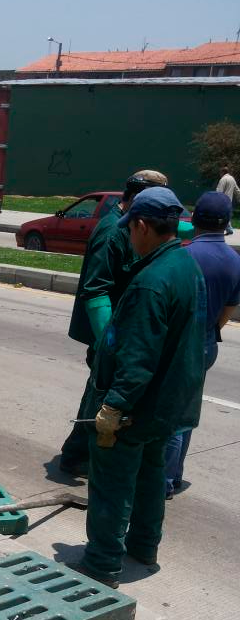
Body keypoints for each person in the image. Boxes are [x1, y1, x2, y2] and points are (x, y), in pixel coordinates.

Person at [75, 187, 207, 587]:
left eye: (130, 228)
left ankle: (102, 564)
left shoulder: (151, 282)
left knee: (111, 483)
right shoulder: (186, 266)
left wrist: (113, 407)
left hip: (137, 407)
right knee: (150, 478)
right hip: (167, 406)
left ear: (144, 226)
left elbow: (138, 357)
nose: (128, 237)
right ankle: (144, 547)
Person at [60, 170, 168, 475]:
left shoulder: (133, 228)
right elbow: (96, 290)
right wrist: (109, 344)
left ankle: (77, 452)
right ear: (136, 200)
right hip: (109, 335)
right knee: (101, 394)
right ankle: (77, 454)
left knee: (98, 392)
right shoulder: (113, 232)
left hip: (121, 331)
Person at [164, 191, 240, 496]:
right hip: (207, 342)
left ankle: (164, 481)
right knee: (185, 412)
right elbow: (227, 312)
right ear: (227, 224)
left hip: (179, 344)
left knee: (168, 414)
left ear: (193, 219)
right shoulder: (235, 261)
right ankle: (175, 474)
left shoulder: (183, 255)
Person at [216, 166, 240, 235]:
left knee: (220, 215)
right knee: (227, 215)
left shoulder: (223, 179)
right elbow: (237, 190)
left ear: (223, 172)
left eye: (220, 172)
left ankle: (224, 229)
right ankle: (229, 229)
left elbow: (219, 191)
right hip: (229, 200)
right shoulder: (232, 178)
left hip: (222, 200)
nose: (220, 174)